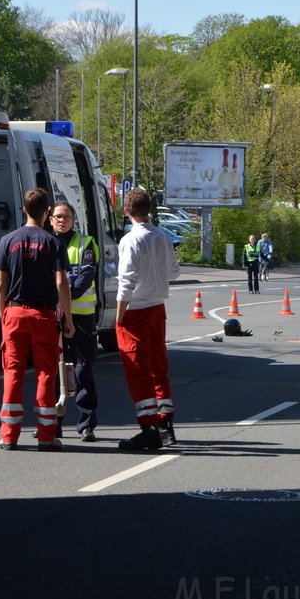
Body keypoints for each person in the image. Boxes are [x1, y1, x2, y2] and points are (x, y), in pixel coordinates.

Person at [0, 188, 74, 452]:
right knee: (45, 374)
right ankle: (46, 436)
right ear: (47, 211)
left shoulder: (7, 241)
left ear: (24, 209)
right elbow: (61, 282)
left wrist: (4, 314)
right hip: (43, 315)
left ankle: (8, 436)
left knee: (13, 372)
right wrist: (69, 317)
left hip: (14, 313)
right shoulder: (54, 243)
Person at [115, 187, 181, 450]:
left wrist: (119, 315)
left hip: (136, 311)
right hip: (157, 307)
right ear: (150, 210)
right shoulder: (162, 236)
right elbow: (174, 272)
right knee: (157, 367)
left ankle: (148, 426)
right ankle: (166, 423)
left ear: (126, 211)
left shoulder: (130, 240)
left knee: (136, 370)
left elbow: (126, 282)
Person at [50, 201, 101, 442]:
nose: (62, 220)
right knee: (52, 371)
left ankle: (86, 424)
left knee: (83, 369)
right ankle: (52, 424)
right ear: (50, 219)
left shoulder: (85, 244)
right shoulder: (45, 243)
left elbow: (84, 279)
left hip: (81, 317)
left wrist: (61, 292)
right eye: (58, 217)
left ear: (73, 220)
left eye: (66, 217)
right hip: (52, 317)